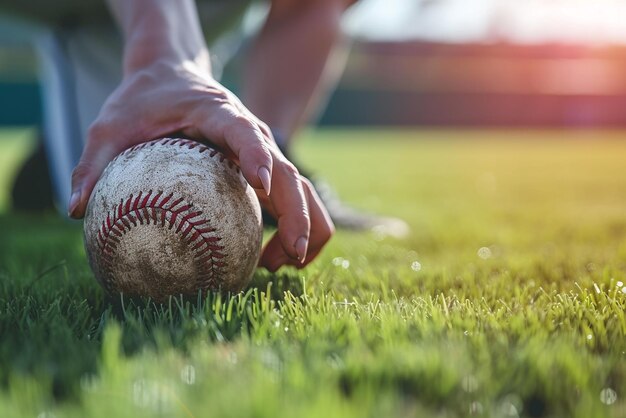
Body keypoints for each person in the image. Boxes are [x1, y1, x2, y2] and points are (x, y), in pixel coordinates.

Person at [5, 0, 407, 272]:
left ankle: (270, 152)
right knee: (107, 183)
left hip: (203, 13)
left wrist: (263, 148)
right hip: (88, 13)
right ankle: (54, 157)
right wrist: (164, 60)